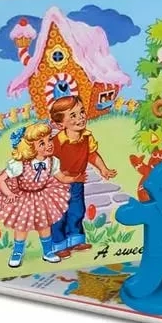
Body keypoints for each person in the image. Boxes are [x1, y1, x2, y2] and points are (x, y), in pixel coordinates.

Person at [0, 123, 84, 268]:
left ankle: (48, 252)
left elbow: (61, 178)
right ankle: (17, 252)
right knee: (21, 227)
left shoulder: (52, 161)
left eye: (49, 139)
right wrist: (9, 193)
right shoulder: (20, 164)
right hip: (24, 197)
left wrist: (74, 179)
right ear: (31, 147)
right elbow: (0, 180)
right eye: (42, 143)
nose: (49, 144)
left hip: (43, 196)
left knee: (44, 225)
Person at [49, 96, 117, 258]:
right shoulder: (57, 142)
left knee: (77, 210)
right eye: (73, 115)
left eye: (81, 112)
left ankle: (75, 239)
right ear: (60, 124)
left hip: (77, 181)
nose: (80, 118)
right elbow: (48, 162)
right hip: (57, 185)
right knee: (59, 215)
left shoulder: (86, 137)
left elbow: (92, 155)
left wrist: (103, 169)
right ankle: (59, 244)